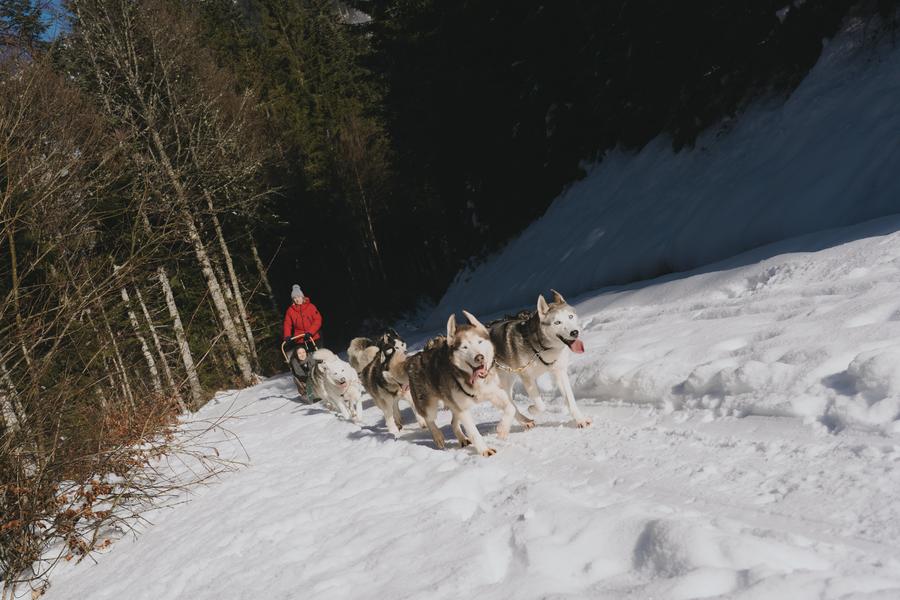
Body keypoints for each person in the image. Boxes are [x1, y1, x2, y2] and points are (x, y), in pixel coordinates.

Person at [282, 284, 323, 350]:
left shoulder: (311, 307)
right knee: (302, 357)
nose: (297, 300)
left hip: (313, 336)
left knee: (318, 355)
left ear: (302, 297)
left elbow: (318, 320)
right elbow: (287, 324)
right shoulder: (290, 311)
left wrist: (310, 332)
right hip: (299, 339)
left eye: (298, 297)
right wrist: (287, 336)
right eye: (294, 298)